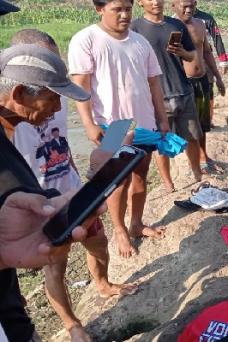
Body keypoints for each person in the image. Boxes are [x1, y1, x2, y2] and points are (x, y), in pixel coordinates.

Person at [11, 29, 138, 341]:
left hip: (73, 188)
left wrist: (108, 149)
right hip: (39, 205)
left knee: (97, 240)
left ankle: (103, 283)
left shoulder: (57, 99)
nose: (57, 104)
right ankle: (71, 323)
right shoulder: (9, 129)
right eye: (51, 88)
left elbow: (102, 126)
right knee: (55, 264)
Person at [0, 43, 105, 342]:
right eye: (52, 98)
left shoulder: (10, 133)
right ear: (19, 94)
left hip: (12, 311)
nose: (59, 108)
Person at [69, 0, 168, 259]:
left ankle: (136, 222)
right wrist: (89, 124)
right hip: (112, 125)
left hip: (144, 122)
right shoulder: (86, 40)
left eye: (127, 8)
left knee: (141, 174)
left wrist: (162, 119)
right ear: (99, 9)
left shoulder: (140, 42)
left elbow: (154, 84)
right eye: (117, 9)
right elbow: (81, 87)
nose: (124, 15)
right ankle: (120, 230)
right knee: (116, 181)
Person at [131, 0, 207, 185]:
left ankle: (197, 174)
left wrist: (182, 52)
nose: (155, 2)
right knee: (159, 142)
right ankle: (167, 183)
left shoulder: (176, 25)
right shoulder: (135, 29)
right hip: (155, 96)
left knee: (192, 137)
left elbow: (192, 56)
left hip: (183, 90)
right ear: (140, 2)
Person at [172, 0, 225, 175]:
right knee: (190, 123)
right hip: (184, 82)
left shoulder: (201, 24)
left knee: (203, 121)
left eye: (192, 6)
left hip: (202, 79)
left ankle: (204, 156)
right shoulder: (171, 27)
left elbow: (207, 52)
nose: (188, 10)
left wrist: (217, 77)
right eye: (184, 6)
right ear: (173, 5)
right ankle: (195, 160)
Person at [193, 3, 228, 125]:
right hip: (186, 61)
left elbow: (217, 38)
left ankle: (208, 118)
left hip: (206, 60)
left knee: (208, 88)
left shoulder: (206, 19)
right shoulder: (175, 20)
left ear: (195, 3)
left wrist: (223, 60)